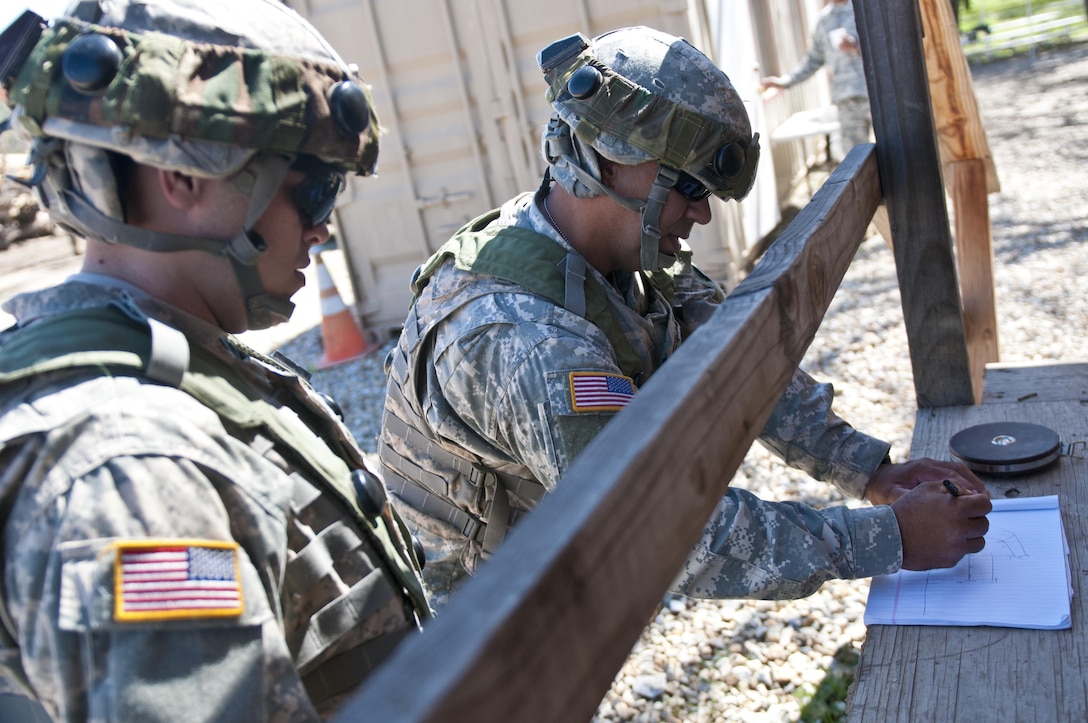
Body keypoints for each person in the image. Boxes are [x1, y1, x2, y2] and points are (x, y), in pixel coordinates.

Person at [377, 26, 991, 610]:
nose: (702, 215)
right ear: (609, 163)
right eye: (690, 188)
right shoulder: (524, 340)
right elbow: (655, 531)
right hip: (476, 635)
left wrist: (869, 471)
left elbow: (744, 363)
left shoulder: (624, 256)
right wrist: (886, 539)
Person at [0, 1, 429, 719]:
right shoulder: (133, 465)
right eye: (314, 187)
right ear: (187, 177)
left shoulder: (169, 364)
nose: (325, 225)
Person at [761, 0, 872, 161]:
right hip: (846, 100)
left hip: (874, 93)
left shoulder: (863, 10)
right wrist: (784, 82)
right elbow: (812, 61)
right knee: (857, 158)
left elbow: (885, 46)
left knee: (891, 148)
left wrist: (857, 47)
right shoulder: (824, 20)